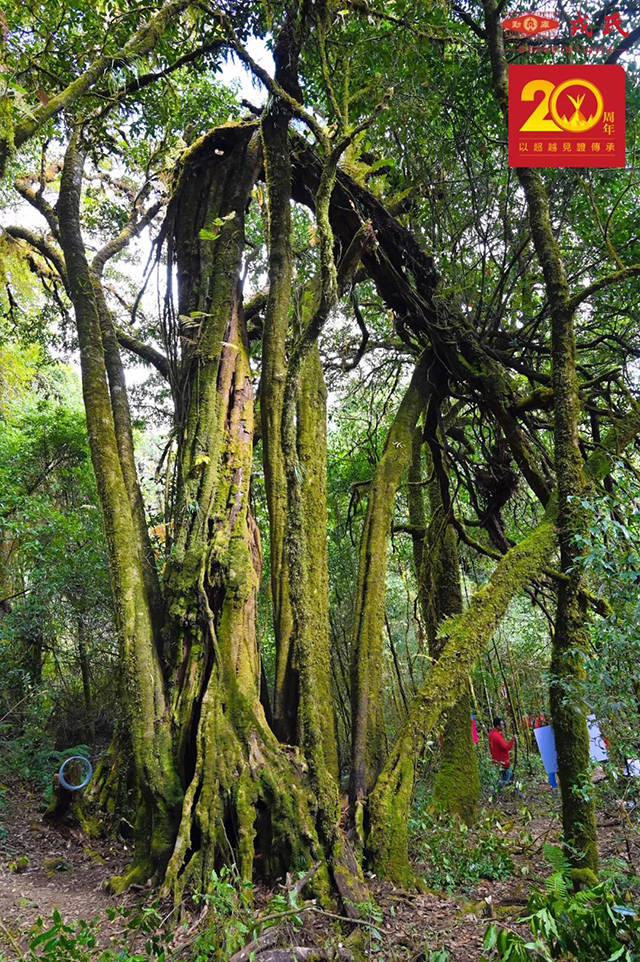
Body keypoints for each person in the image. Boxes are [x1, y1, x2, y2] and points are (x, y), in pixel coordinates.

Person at [488, 716, 515, 788]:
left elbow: (490, 747)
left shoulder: (491, 734)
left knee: (505, 776)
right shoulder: (496, 736)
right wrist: (512, 740)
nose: (503, 726)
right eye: (502, 724)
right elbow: (506, 747)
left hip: (497, 760)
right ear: (497, 726)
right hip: (502, 761)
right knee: (506, 778)